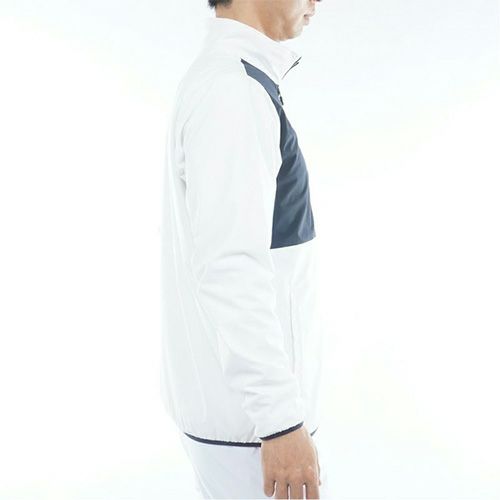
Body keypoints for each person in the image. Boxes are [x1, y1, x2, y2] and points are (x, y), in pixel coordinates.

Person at [160, 0, 329, 497]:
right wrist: (280, 422)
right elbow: (231, 267)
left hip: (241, 425)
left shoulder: (232, 80)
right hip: (251, 433)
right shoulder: (232, 91)